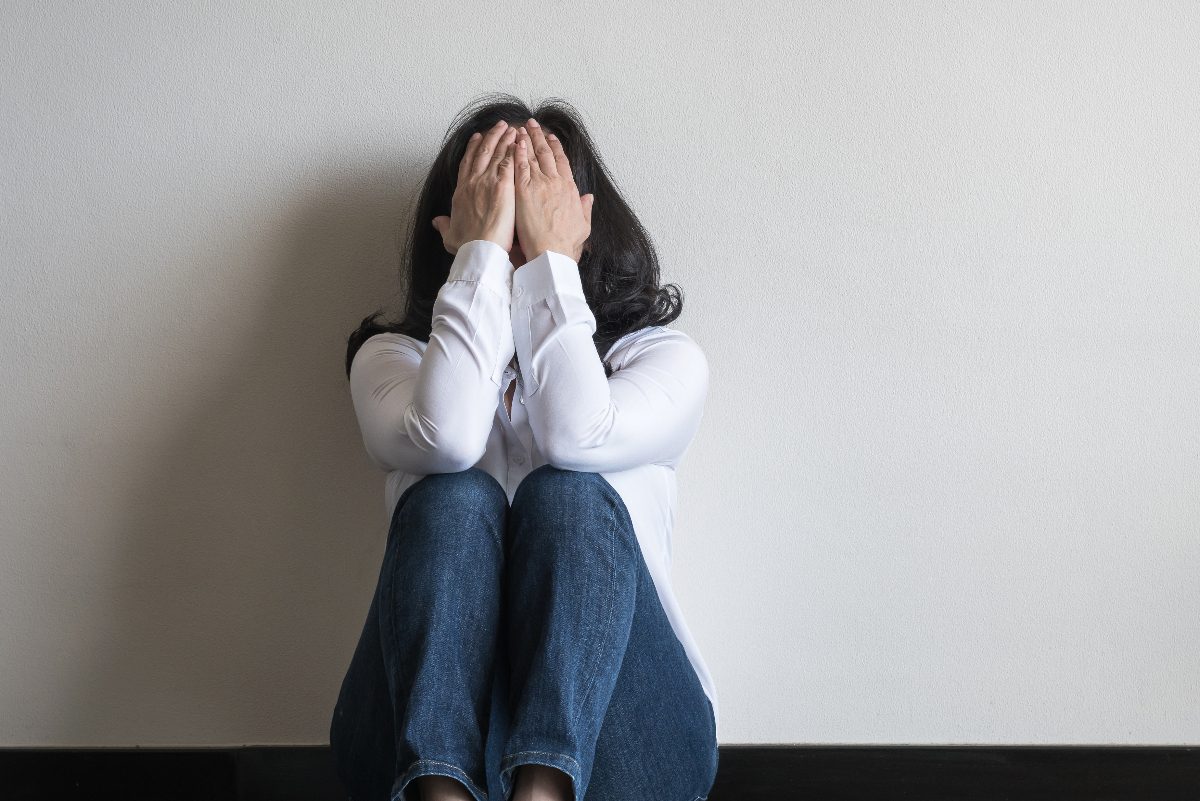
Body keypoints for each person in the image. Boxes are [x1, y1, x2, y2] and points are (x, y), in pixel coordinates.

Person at [329, 95, 718, 801]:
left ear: (583, 220)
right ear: (450, 228)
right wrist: (480, 261)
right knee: (451, 495)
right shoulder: (391, 362)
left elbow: (578, 435)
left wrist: (549, 264)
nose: (514, 233)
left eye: (537, 205)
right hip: (407, 747)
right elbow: (446, 437)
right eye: (493, 211)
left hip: (629, 741)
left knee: (567, 493)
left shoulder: (661, 360)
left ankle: (544, 791)